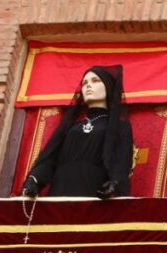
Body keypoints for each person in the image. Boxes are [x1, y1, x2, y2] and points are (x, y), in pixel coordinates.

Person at [21, 65, 133, 199]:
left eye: (95, 81)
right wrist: (34, 179)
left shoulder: (119, 127)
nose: (88, 86)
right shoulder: (71, 127)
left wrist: (115, 184)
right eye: (85, 83)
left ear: (108, 87)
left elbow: (121, 162)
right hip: (60, 190)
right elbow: (50, 158)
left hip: (93, 192)